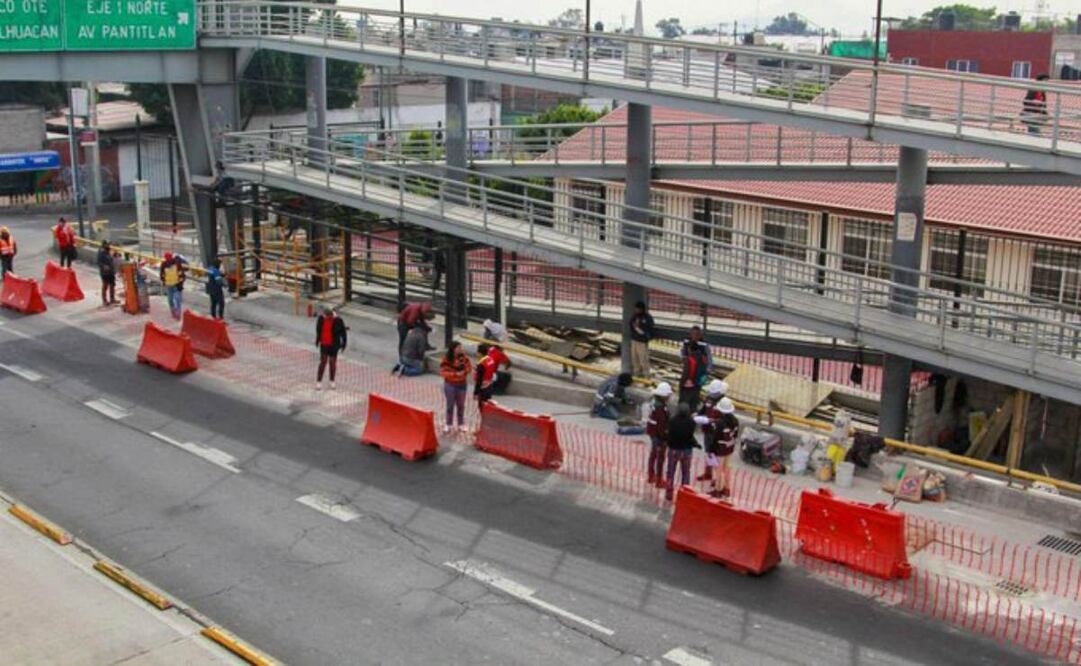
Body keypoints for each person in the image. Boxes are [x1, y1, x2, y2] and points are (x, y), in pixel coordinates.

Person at [694, 379, 729, 483]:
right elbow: (703, 410)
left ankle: (716, 477)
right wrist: (698, 415)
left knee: (716, 454)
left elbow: (723, 418)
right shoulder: (708, 399)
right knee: (708, 452)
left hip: (716, 432)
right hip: (707, 429)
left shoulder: (723, 402)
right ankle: (708, 472)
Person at [664, 403, 700, 502]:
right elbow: (690, 436)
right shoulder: (691, 422)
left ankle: (669, 493)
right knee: (686, 473)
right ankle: (684, 494)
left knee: (670, 472)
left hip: (674, 450)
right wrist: (696, 444)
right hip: (687, 451)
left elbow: (669, 434)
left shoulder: (672, 421)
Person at [706, 398, 740, 498]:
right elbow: (736, 435)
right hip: (730, 447)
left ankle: (718, 489)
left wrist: (711, 449)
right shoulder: (735, 420)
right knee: (727, 469)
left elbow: (715, 437)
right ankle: (727, 488)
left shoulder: (720, 423)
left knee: (718, 470)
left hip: (720, 449)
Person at [439, 341, 472, 433]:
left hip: (462, 385)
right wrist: (455, 374)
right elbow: (443, 372)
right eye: (458, 348)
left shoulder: (464, 358)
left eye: (461, 348)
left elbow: (469, 368)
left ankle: (461, 424)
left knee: (461, 405)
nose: (460, 350)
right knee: (450, 405)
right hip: (450, 385)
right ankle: (448, 424)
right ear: (453, 349)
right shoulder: (446, 359)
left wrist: (464, 372)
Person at [646, 382, 672, 487]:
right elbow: (661, 425)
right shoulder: (660, 408)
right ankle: (658, 480)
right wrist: (665, 438)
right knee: (660, 458)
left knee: (653, 455)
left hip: (652, 433)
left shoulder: (654, 402)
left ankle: (651, 475)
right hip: (658, 435)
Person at [314, 305, 347, 390]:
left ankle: (332, 381)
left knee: (332, 363)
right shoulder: (321, 319)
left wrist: (344, 344)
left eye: (327, 316)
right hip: (324, 344)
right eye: (325, 316)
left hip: (334, 345)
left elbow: (343, 332)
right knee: (323, 362)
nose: (326, 317)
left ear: (331, 315)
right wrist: (317, 340)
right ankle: (319, 381)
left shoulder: (338, 320)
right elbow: (318, 330)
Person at [678, 341, 710, 412]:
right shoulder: (703, 358)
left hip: (687, 387)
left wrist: (681, 384)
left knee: (684, 405)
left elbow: (685, 374)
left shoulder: (689, 360)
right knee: (693, 405)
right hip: (698, 385)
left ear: (689, 349)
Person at [628, 300, 655, 378]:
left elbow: (649, 329)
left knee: (643, 359)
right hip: (634, 340)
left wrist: (641, 331)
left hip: (642, 341)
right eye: (636, 309)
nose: (636, 310)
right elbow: (631, 324)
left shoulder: (647, 318)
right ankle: (636, 374)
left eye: (638, 309)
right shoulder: (635, 316)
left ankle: (646, 375)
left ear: (642, 309)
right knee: (634, 358)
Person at [159, 252, 185, 319]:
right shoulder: (163, 265)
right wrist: (164, 281)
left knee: (177, 299)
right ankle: (173, 311)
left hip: (176, 284)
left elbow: (181, 274)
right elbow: (162, 275)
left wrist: (181, 283)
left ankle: (178, 313)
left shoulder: (177, 264)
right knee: (170, 299)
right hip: (169, 285)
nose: (168, 260)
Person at [97, 241, 118, 306]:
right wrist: (104, 266)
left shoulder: (108, 251)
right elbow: (99, 262)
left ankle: (112, 299)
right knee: (105, 285)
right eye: (107, 244)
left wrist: (114, 255)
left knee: (112, 285)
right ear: (104, 245)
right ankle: (104, 300)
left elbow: (111, 259)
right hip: (105, 272)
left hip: (111, 271)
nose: (109, 246)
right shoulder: (101, 252)